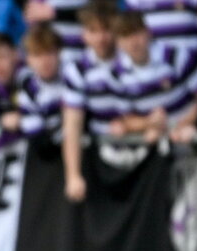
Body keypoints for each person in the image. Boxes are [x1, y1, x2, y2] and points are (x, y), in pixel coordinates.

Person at [109, 10, 197, 144]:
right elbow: (126, 119)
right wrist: (149, 123)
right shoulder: (117, 73)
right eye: (125, 36)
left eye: (136, 33)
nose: (133, 42)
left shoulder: (176, 56)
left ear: (148, 32)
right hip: (155, 144)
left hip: (192, 135)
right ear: (118, 42)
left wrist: (185, 124)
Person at [60, 0, 122, 202]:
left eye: (106, 29)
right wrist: (73, 175)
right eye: (93, 30)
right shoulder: (76, 70)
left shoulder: (132, 58)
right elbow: (72, 125)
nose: (101, 38)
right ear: (84, 34)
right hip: (103, 158)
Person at [17, 24, 66, 149]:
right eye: (37, 55)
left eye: (49, 52)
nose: (44, 61)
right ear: (28, 59)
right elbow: (39, 141)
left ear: (59, 52)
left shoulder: (72, 79)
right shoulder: (29, 91)